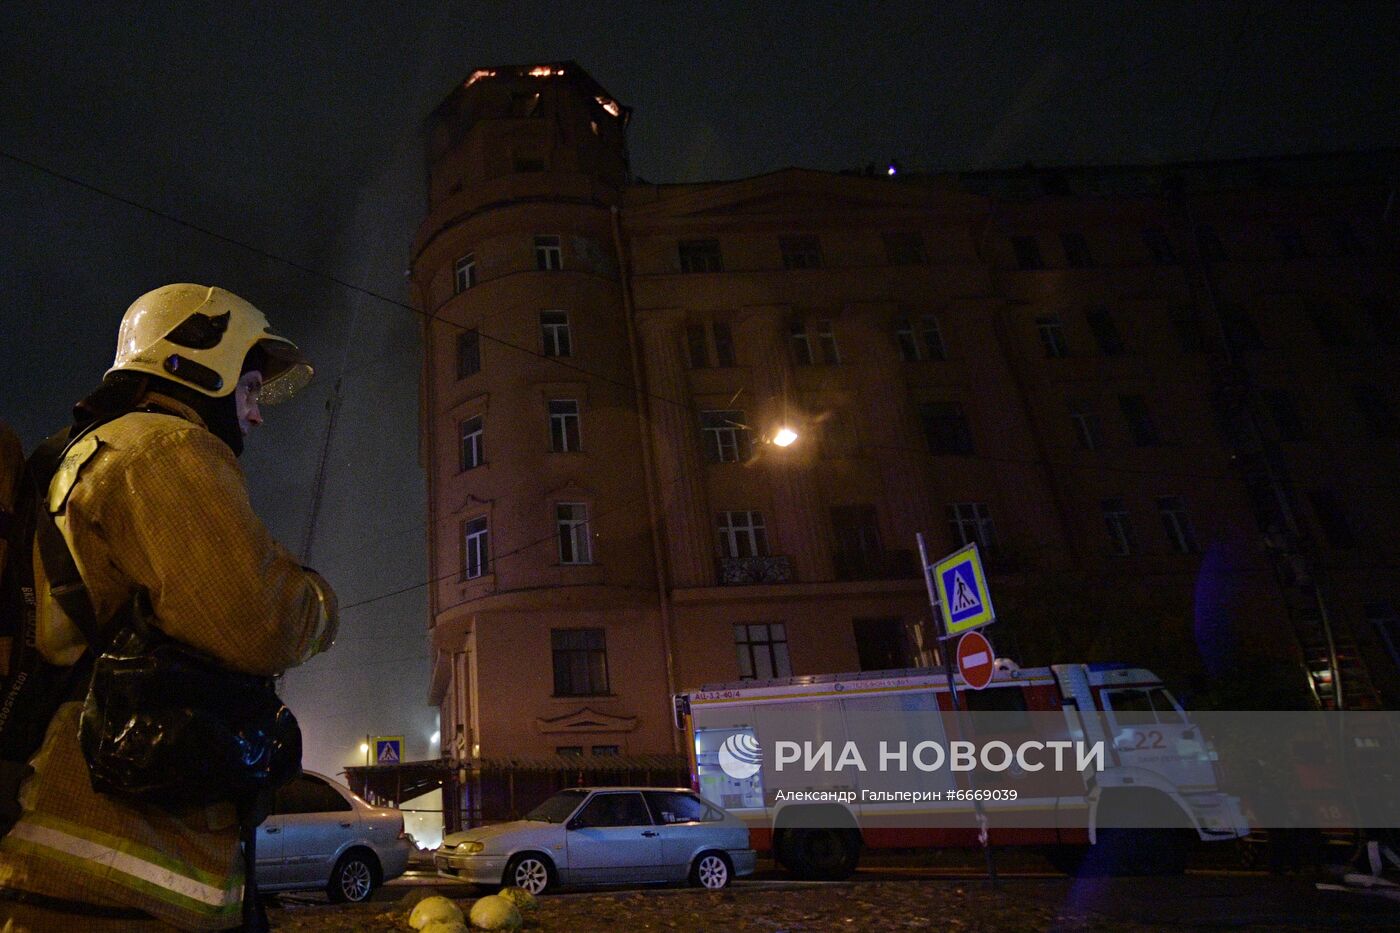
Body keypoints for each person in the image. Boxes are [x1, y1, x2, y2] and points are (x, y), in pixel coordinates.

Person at [0, 284, 338, 931]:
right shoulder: (164, 450)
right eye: (248, 388)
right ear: (194, 360)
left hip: (68, 833)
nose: (256, 413)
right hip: (120, 862)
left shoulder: (78, 449)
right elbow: (263, 620)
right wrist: (318, 599)